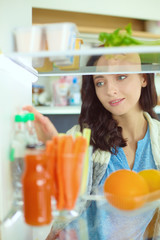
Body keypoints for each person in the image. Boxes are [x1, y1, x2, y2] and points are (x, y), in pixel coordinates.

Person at [24, 53, 160, 240]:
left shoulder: (157, 139)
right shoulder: (80, 138)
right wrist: (55, 152)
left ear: (144, 78)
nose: (110, 90)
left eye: (121, 77)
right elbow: (55, 199)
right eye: (100, 82)